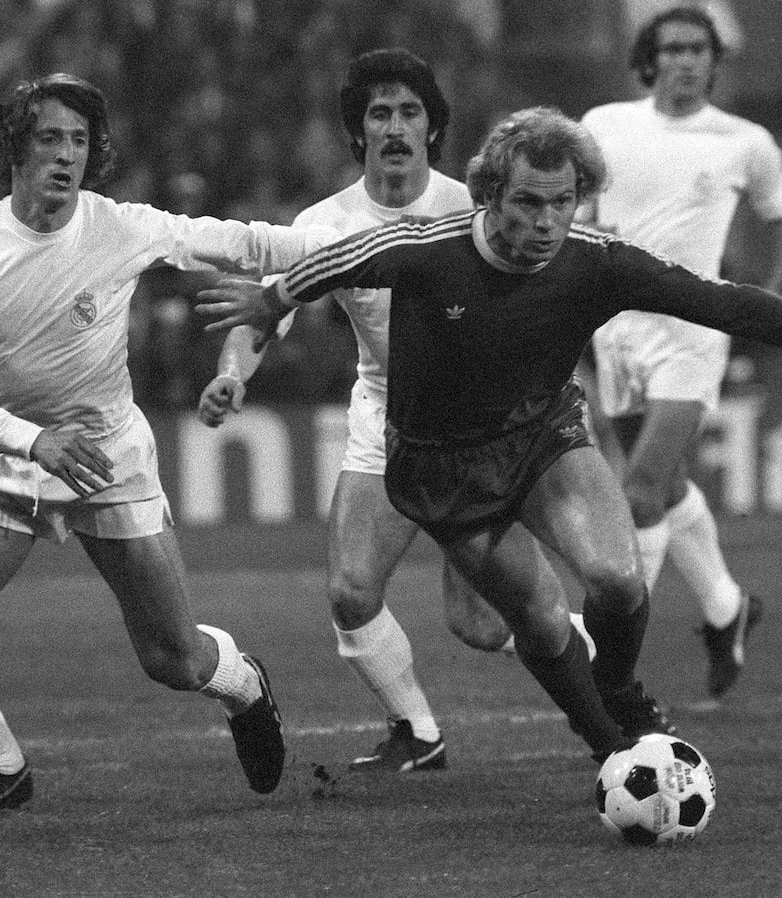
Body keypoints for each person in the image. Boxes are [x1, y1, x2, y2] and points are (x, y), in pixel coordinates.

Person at [194, 106, 782, 768]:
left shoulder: (593, 262)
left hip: (546, 437)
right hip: (441, 469)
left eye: (562, 203)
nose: (545, 222)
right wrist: (272, 300)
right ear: (490, 195)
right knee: (537, 620)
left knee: (619, 580)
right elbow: (341, 257)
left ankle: (617, 689)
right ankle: (607, 744)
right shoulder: (432, 247)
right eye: (528, 202)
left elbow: (723, 302)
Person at [0, 73, 331, 814]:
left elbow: (250, 243)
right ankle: (1, 767)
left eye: (79, 140)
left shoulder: (120, 227)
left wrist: (374, 248)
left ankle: (244, 684)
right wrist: (32, 441)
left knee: (173, 659)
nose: (67, 154)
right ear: (13, 148)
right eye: (49, 138)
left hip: (107, 462)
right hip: (4, 463)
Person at [199, 48, 585, 774]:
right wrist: (230, 376)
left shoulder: (473, 208)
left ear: (433, 128)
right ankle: (416, 730)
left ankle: (596, 668)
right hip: (388, 418)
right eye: (380, 113)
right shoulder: (325, 222)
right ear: (360, 131)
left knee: (478, 622)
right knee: (351, 591)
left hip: (485, 426)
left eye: (411, 112)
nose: (396, 126)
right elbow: (266, 314)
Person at [576, 5, 782, 701]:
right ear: (650, 59)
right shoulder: (604, 125)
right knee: (664, 485)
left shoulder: (745, 142)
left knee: (638, 489)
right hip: (618, 330)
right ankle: (728, 608)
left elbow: (780, 217)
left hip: (692, 333)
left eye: (699, 49)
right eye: (673, 48)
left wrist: (759, 296)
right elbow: (577, 215)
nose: (686, 60)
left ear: (713, 61)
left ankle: (608, 652)